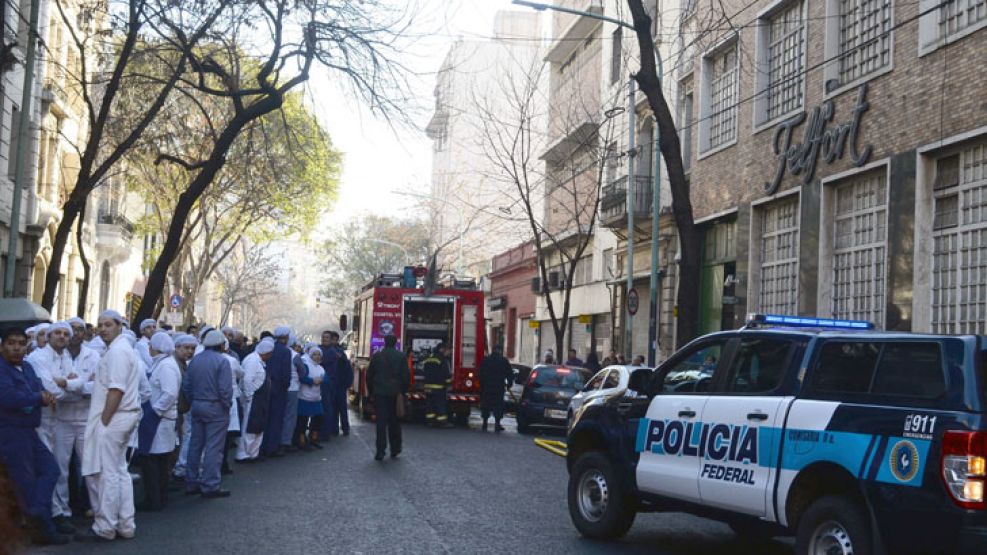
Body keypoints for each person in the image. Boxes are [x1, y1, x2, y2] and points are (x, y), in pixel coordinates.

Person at [77, 310, 143, 543]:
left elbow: (116, 390)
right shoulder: (120, 350)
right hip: (123, 416)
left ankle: (105, 526)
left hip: (115, 417)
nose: (103, 329)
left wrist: (104, 421)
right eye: (100, 325)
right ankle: (126, 524)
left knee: (108, 474)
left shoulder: (117, 352)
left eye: (108, 325)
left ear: (119, 326)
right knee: (120, 473)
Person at [0, 326, 68, 545]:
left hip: (29, 430)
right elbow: (9, 397)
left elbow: (40, 388)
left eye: (21, 343)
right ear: (2, 346)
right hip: (10, 432)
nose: (17, 348)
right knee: (26, 482)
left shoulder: (27, 367)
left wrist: (41, 395)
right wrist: (38, 398)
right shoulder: (1, 370)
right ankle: (44, 531)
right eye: (11, 343)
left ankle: (35, 513)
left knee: (51, 470)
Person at [51, 318, 98, 528]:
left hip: (86, 418)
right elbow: (55, 389)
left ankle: (96, 508)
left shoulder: (94, 355)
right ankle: (62, 511)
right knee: (61, 468)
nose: (76, 333)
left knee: (90, 466)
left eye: (80, 329)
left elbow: (96, 387)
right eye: (73, 330)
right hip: (61, 419)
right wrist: (79, 386)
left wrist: (69, 384)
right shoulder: (58, 356)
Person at [181, 330, 233, 498]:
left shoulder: (195, 360)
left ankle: (191, 481)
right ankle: (210, 484)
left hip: (197, 405)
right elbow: (225, 389)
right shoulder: (222, 362)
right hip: (215, 407)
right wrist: (227, 405)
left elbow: (186, 385)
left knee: (195, 445)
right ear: (221, 345)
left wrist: (193, 401)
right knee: (213, 447)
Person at [136, 333, 181, 512]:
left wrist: (155, 411)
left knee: (155, 461)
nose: (149, 348)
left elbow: (169, 393)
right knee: (156, 460)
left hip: (160, 420)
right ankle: (156, 497)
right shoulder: (162, 363)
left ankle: (155, 499)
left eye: (151, 345)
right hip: (158, 418)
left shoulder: (166, 366)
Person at [366, 335, 409, 460]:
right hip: (395, 393)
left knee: (381, 423)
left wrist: (371, 392)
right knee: (394, 422)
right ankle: (395, 449)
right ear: (395, 343)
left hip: (380, 394)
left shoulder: (377, 357)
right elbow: (405, 376)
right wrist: (403, 392)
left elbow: (369, 376)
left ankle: (380, 451)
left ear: (384, 343)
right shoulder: (401, 357)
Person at [236, 338, 274, 463]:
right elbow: (247, 380)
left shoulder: (259, 360)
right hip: (253, 398)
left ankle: (253, 453)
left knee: (257, 426)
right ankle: (244, 453)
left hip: (259, 398)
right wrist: (249, 396)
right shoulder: (252, 361)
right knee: (250, 426)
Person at [262, 326, 292, 457]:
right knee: (277, 418)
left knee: (266, 417)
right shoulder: (285, 351)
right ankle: (272, 447)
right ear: (285, 337)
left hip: (267, 386)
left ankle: (263, 446)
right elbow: (286, 372)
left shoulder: (270, 348)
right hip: (279, 388)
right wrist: (286, 385)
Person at [171, 334, 198, 482]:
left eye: (193, 348)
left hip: (180, 410)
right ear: (177, 347)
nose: (190, 351)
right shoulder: (173, 364)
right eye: (186, 348)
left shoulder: (183, 363)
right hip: (172, 411)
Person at [321, 331, 352, 437]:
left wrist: (347, 383)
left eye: (332, 339)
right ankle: (334, 428)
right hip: (334, 384)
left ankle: (341, 428)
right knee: (333, 407)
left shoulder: (339, 353)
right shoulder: (331, 351)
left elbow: (347, 369)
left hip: (339, 384)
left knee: (339, 408)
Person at [295, 346, 325, 450]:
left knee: (318, 417)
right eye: (314, 354)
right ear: (310, 355)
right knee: (302, 420)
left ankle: (313, 438)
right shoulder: (306, 365)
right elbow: (302, 377)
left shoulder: (321, 368)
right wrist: (312, 381)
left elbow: (326, 379)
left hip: (316, 397)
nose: (317, 357)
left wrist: (323, 381)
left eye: (318, 354)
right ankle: (301, 441)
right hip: (304, 397)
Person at [478, 345, 512, 432]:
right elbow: (509, 374)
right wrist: (509, 384)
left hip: (487, 387)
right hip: (499, 387)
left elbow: (480, 373)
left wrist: (482, 385)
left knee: (486, 405)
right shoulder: (504, 361)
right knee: (498, 406)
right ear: (500, 351)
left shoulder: (486, 360)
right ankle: (497, 423)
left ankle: (485, 422)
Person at [422, 342, 452, 427]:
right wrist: (449, 383)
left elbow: (424, 371)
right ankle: (442, 422)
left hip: (428, 387)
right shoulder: (443, 360)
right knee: (440, 405)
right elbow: (446, 374)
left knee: (430, 405)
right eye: (448, 350)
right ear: (442, 349)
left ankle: (430, 421)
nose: (449, 352)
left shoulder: (428, 358)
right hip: (438, 387)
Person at [281, 335, 302, 452]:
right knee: (290, 416)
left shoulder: (276, 352)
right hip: (293, 388)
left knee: (280, 414)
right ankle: (286, 441)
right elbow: (302, 372)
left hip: (279, 388)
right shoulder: (295, 356)